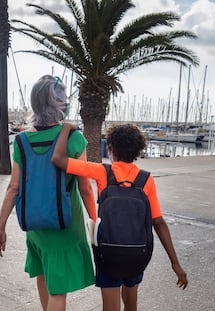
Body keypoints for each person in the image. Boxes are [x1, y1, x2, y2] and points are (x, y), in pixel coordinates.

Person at [52, 123, 188, 311]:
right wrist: (175, 263)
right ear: (137, 151)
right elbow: (158, 222)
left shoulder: (103, 172)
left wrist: (66, 128)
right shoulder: (146, 179)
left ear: (110, 148)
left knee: (111, 307)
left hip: (108, 253)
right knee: (131, 303)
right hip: (137, 252)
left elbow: (58, 159)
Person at [0, 75, 97, 311]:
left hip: (36, 225)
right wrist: (95, 219)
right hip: (64, 223)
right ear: (58, 103)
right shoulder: (73, 138)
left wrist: (0, 227)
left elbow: (13, 188)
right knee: (58, 292)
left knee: (43, 276)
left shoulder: (21, 141)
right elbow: (84, 188)